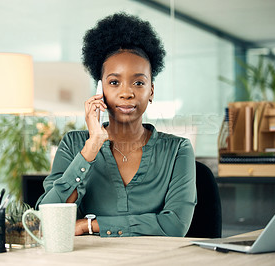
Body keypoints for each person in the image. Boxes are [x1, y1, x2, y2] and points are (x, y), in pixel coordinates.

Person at [36, 12, 196, 237]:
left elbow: (175, 226)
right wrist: (91, 148)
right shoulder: (73, 145)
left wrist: (89, 225)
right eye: (114, 82)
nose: (127, 93)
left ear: (151, 91)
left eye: (138, 82)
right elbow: (47, 216)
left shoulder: (178, 150)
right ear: (100, 91)